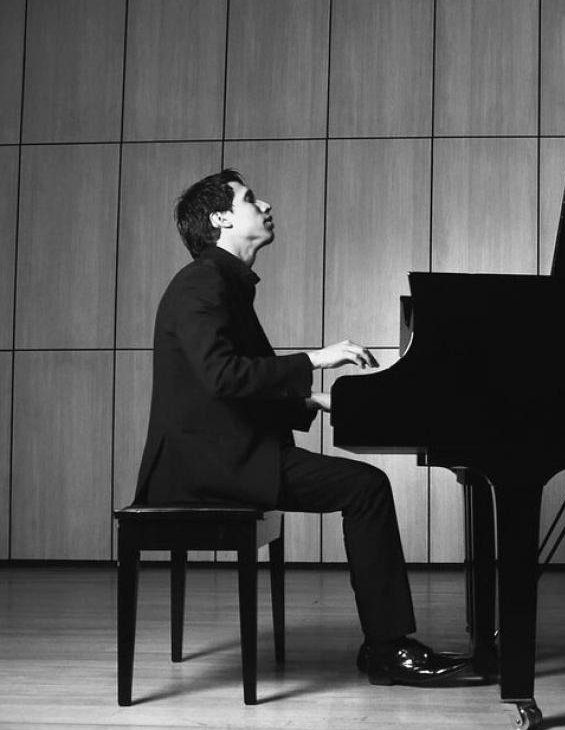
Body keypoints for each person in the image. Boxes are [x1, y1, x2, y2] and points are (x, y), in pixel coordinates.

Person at [133, 168, 470, 687]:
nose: (266, 205)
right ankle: (388, 649)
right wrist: (315, 358)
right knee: (366, 488)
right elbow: (222, 377)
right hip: (208, 466)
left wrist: (313, 400)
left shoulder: (222, 282)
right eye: (250, 199)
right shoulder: (203, 281)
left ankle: (385, 645)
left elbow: (240, 384)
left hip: (224, 454)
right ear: (221, 218)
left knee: (364, 486)